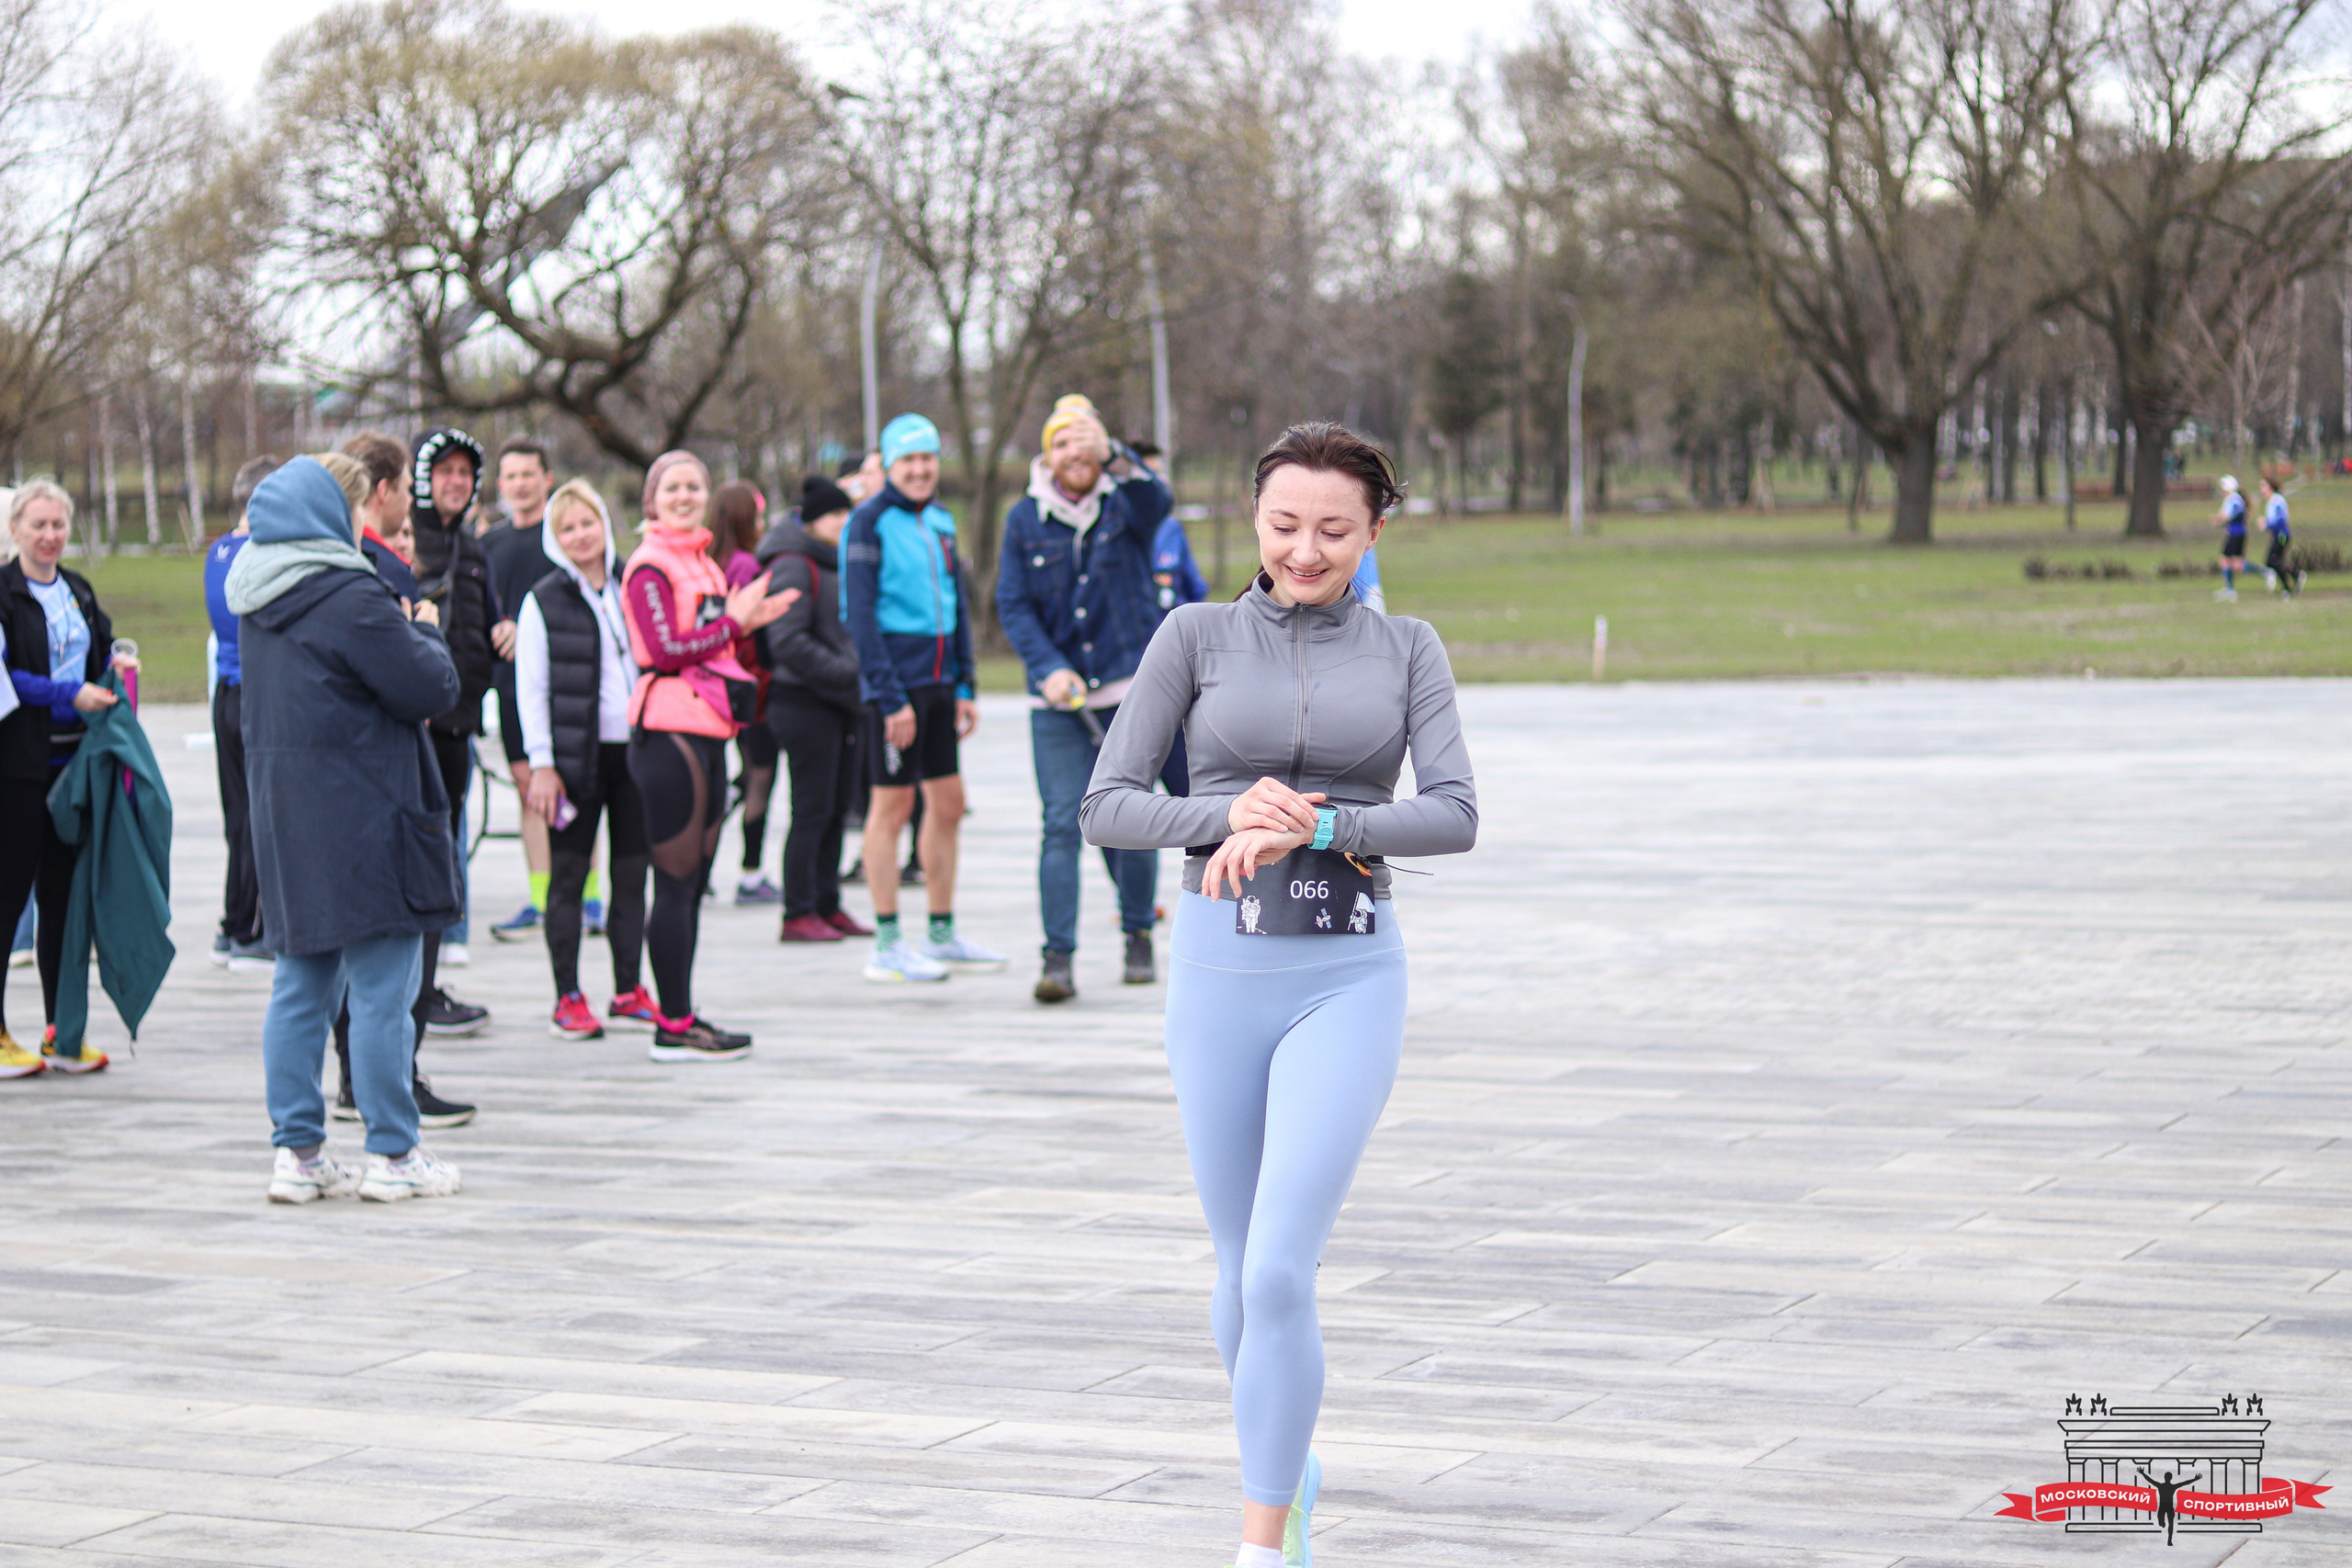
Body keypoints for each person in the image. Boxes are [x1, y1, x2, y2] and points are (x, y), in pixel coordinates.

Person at [1080, 423, 1477, 1568]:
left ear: (1373, 532)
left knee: (1275, 1266)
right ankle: (1284, 1465)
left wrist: (1329, 823)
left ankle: (1264, 1546)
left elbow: (1452, 814)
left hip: (1346, 973)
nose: (1306, 551)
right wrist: (1229, 812)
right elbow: (1107, 804)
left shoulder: (1408, 647)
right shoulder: (1191, 635)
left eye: (1334, 530)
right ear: (1254, 521)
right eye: (1284, 525)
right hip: (1214, 973)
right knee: (1231, 1268)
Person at [229, 455, 464, 1202]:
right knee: (382, 992)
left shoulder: (255, 599)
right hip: (369, 813)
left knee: (299, 985)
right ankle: (393, 1154)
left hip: (288, 818)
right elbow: (433, 686)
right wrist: (424, 630)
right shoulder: (352, 595)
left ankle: (297, 1155)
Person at [997, 394, 1173, 1002]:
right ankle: (1058, 958)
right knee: (1060, 824)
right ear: (1049, 455)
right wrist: (1047, 667)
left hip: (1127, 689)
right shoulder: (1025, 518)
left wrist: (1118, 455)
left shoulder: (1127, 501)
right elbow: (1012, 604)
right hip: (1057, 700)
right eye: (1064, 442)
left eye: (1087, 440)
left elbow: (1160, 500)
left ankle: (1138, 935)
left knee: (1134, 817)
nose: (1077, 452)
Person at [320, 451, 476, 1129]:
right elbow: (425, 683)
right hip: (399, 766)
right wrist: (428, 638)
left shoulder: (321, 577)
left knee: (335, 965)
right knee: (395, 948)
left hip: (414, 757)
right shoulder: (365, 579)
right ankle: (387, 1098)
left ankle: (354, 1096)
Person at [621, 449, 794, 1059]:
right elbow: (666, 651)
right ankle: (671, 1025)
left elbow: (710, 637)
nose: (686, 494)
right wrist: (733, 622)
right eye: (673, 487)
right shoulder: (649, 566)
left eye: (695, 485)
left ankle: (683, 1013)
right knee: (673, 882)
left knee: (692, 885)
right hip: (667, 733)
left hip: (710, 730)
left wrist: (748, 620)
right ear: (652, 500)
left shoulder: (703, 562)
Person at [842, 413, 1004, 983]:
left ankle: (941, 932)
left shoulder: (940, 520)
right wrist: (890, 700)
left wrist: (965, 685)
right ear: (888, 465)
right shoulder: (866, 522)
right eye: (907, 460)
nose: (918, 469)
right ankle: (886, 942)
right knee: (892, 809)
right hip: (895, 690)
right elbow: (858, 618)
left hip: (940, 688)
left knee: (950, 806)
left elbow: (956, 606)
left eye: (927, 459)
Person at [0, 480, 138, 1077]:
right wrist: (67, 692)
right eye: (38, 525)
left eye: (59, 524)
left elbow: (98, 653)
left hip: (74, 769)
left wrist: (117, 669)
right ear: (14, 530)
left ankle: (63, 1028)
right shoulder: (3, 594)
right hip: (17, 768)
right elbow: (7, 680)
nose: (51, 535)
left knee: (63, 900)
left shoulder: (78, 589)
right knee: (8, 903)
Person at [515, 480, 655, 1040]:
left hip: (637, 754)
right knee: (569, 876)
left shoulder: (631, 585)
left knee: (631, 873)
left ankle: (628, 988)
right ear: (554, 538)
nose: (580, 536)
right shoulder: (542, 600)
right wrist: (541, 763)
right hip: (575, 761)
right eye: (567, 528)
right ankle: (567, 995)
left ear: (605, 523)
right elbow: (531, 688)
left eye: (587, 523)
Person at [407, 427, 503, 1016]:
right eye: (445, 471)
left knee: (443, 858)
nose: (456, 482)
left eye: (465, 474)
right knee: (425, 858)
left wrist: (507, 628)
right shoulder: (410, 544)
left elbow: (486, 620)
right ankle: (413, 995)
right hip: (420, 728)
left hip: (459, 728)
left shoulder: (472, 547)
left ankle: (427, 986)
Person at [755, 475, 874, 943]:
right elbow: (786, 642)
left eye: (848, 514)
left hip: (842, 704)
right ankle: (798, 910)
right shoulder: (793, 564)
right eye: (835, 515)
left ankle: (827, 903)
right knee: (810, 810)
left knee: (834, 808)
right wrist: (848, 672)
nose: (844, 523)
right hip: (803, 703)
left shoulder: (834, 562)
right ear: (810, 519)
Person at [480, 436, 569, 941]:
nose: (519, 484)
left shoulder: (566, 535)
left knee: (574, 791)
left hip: (565, 685)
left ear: (546, 479)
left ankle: (588, 895)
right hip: (510, 687)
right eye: (510, 476)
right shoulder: (489, 544)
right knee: (530, 792)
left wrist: (529, 629)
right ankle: (539, 899)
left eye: (528, 474)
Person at [206, 456, 282, 974]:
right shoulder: (257, 555)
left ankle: (233, 923)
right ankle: (250, 931)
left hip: (226, 696)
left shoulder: (219, 550)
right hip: (253, 695)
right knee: (259, 816)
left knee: (239, 816)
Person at [709, 479, 783, 905]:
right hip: (752, 691)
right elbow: (755, 642)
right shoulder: (747, 568)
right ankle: (751, 873)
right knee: (760, 776)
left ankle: (701, 869)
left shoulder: (707, 562)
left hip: (716, 689)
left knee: (730, 778)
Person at [2261, 476, 2300, 596]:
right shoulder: (2272, 501)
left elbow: (2281, 519)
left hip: (2282, 536)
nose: (2261, 490)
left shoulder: (2277, 501)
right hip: (2278, 535)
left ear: (2271, 487)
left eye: (2263, 486)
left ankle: (2288, 587)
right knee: (2274, 561)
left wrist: (2267, 524)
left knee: (2273, 561)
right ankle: (2295, 575)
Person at [2213, 475, 2248, 600]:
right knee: (2226, 561)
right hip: (2234, 533)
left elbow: (2228, 515)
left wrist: (2217, 520)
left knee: (2235, 564)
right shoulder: (2234, 499)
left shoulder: (2233, 499)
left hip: (2236, 534)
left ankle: (2265, 573)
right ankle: (2229, 589)